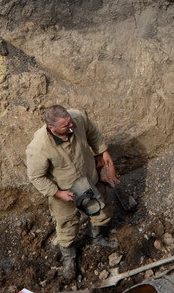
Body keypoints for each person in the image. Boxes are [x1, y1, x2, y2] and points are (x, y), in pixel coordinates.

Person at [24, 104, 120, 278]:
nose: (71, 127)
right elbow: (36, 177)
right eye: (65, 126)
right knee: (67, 224)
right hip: (64, 191)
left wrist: (103, 152)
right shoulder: (39, 147)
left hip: (90, 179)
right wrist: (58, 193)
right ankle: (69, 256)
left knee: (102, 210)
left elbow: (93, 133)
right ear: (51, 128)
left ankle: (96, 236)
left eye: (70, 123)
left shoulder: (77, 118)